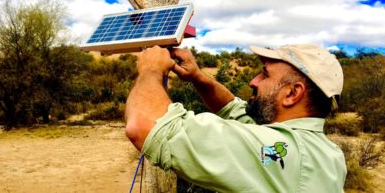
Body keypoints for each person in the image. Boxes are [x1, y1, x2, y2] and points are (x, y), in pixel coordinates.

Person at [125, 43, 347, 192]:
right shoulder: (326, 153)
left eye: (265, 74)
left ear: (292, 93)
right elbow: (236, 111)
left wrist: (150, 70)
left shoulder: (282, 151)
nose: (253, 81)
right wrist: (198, 78)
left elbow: (143, 124)